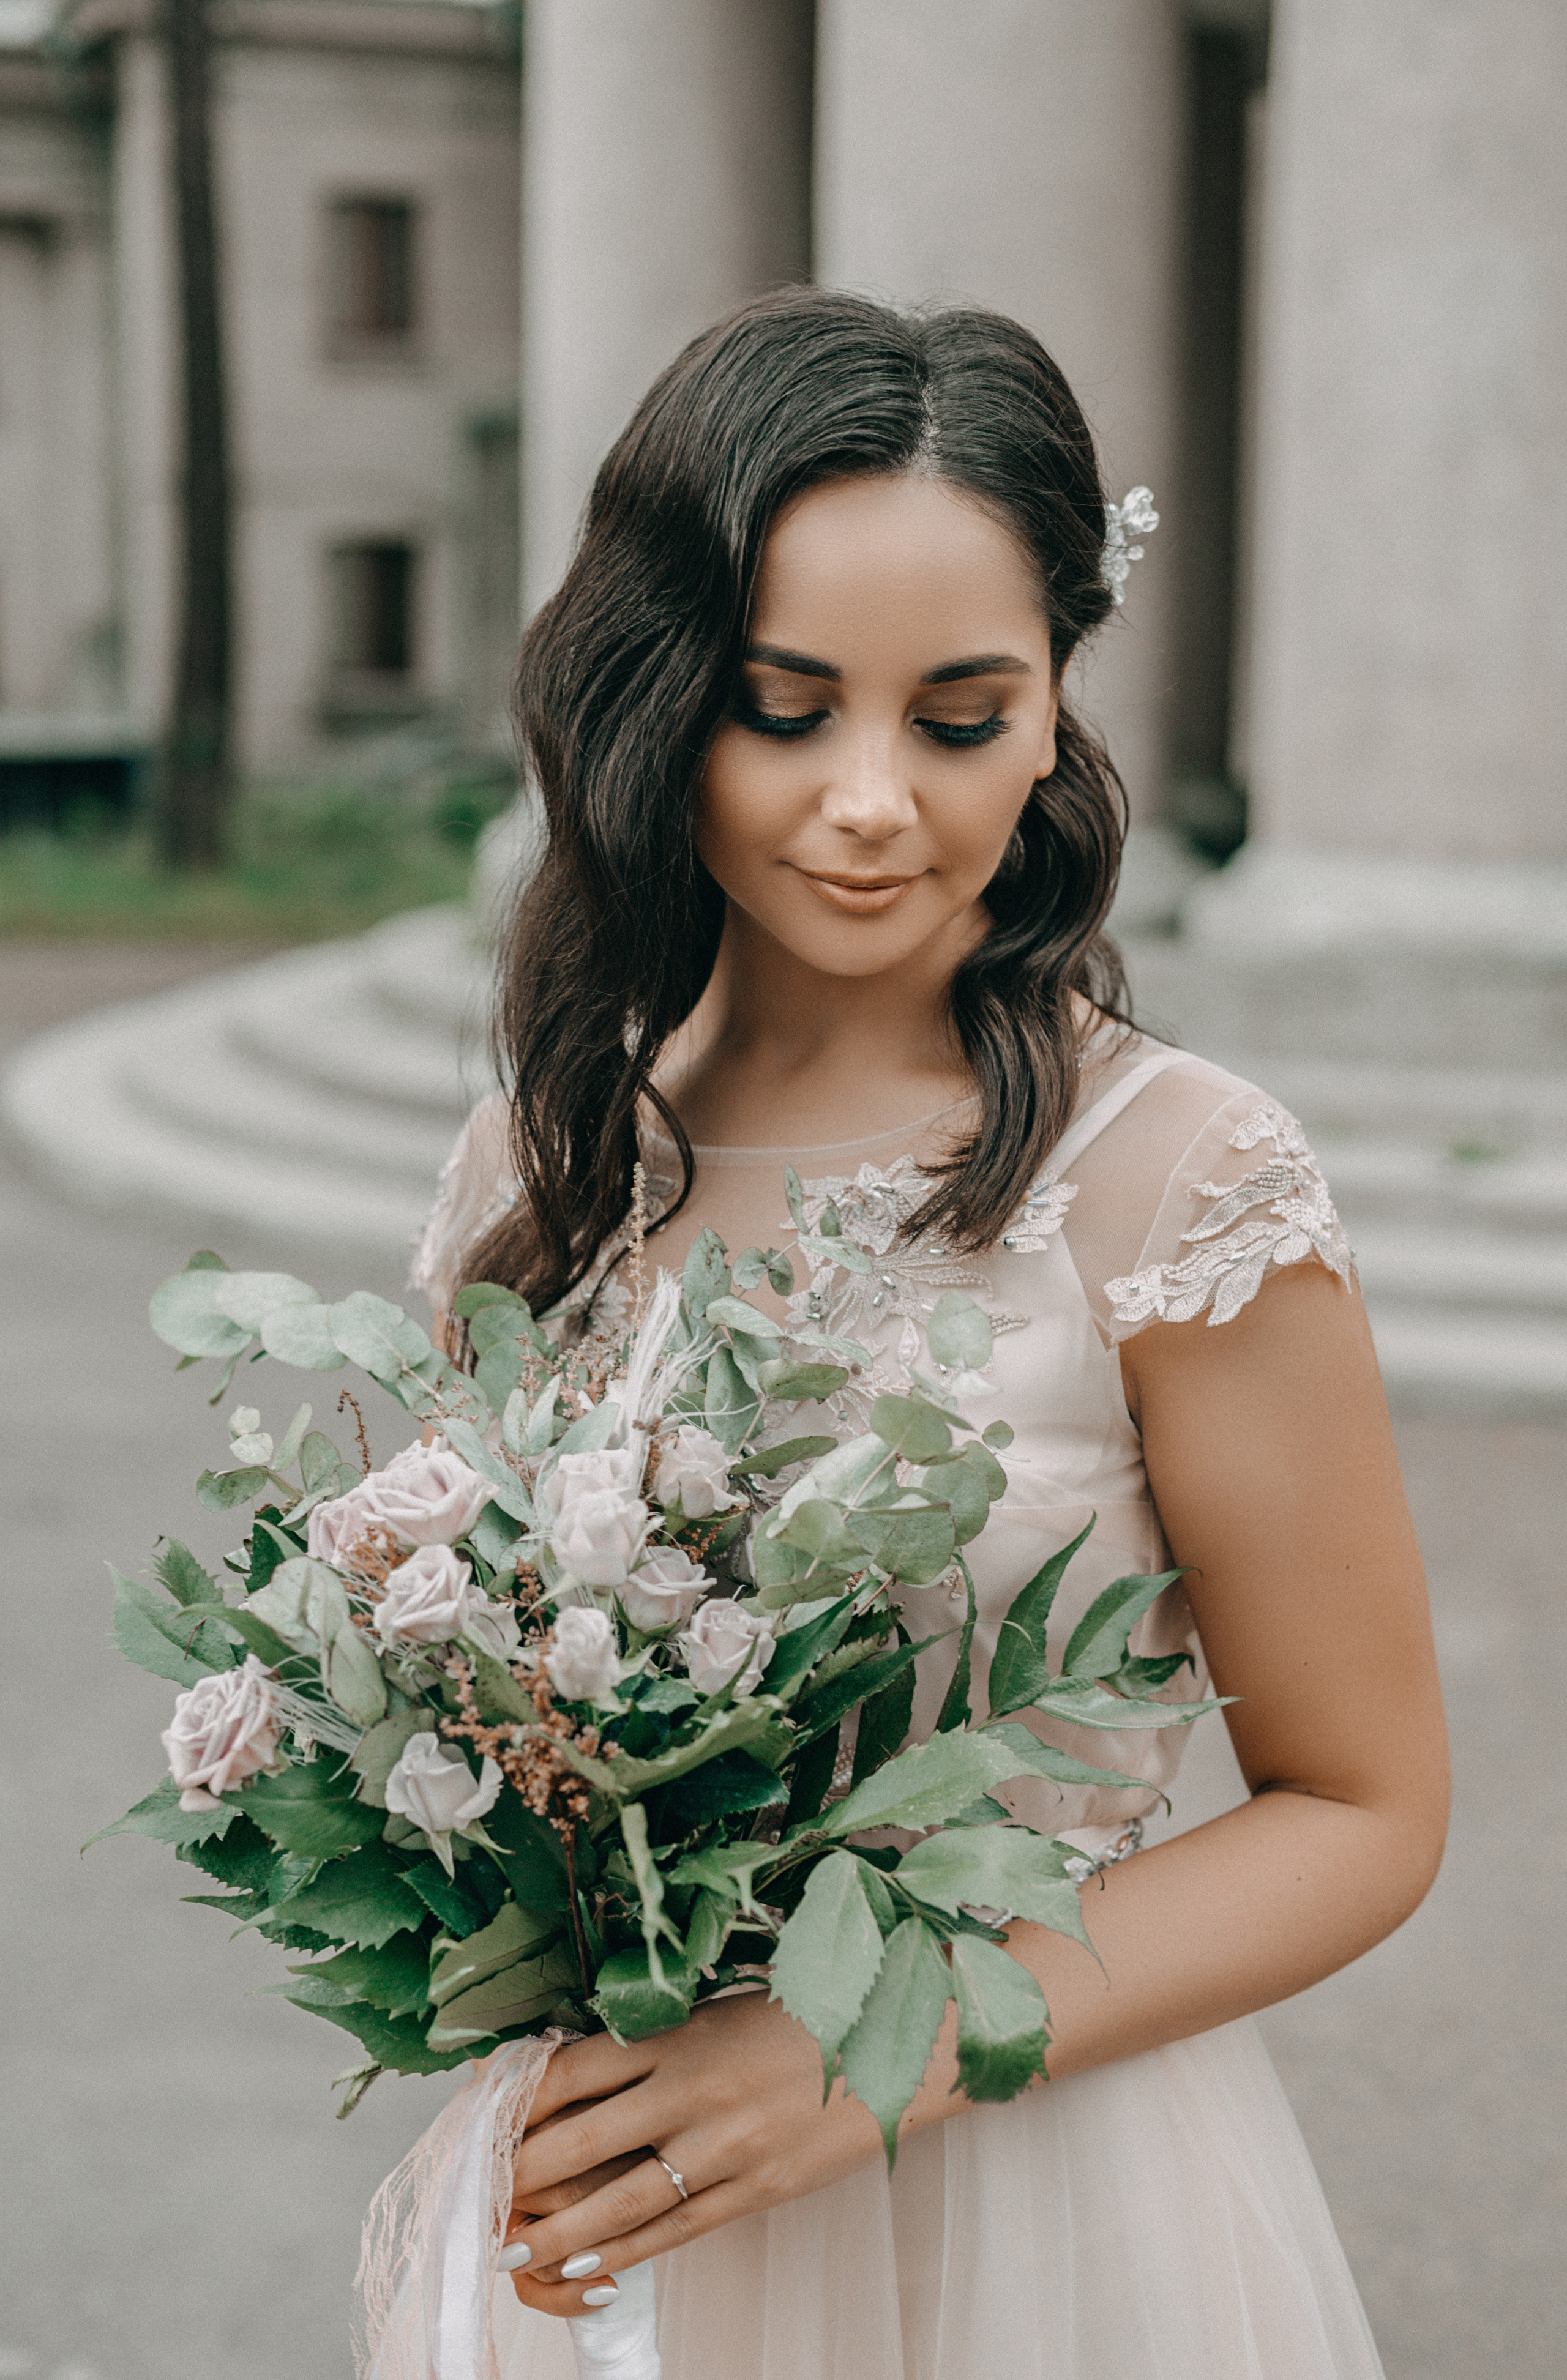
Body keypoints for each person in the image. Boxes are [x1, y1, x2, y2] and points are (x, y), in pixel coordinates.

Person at [410, 288, 1449, 2380]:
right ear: (659, 695)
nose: (873, 800)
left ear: (1059, 707)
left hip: (1039, 2223)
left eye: (959, 717)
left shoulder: (1183, 1185)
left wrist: (861, 2044)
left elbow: (1365, 1809)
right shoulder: (540, 1166)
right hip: (618, 2233)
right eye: (787, 708)